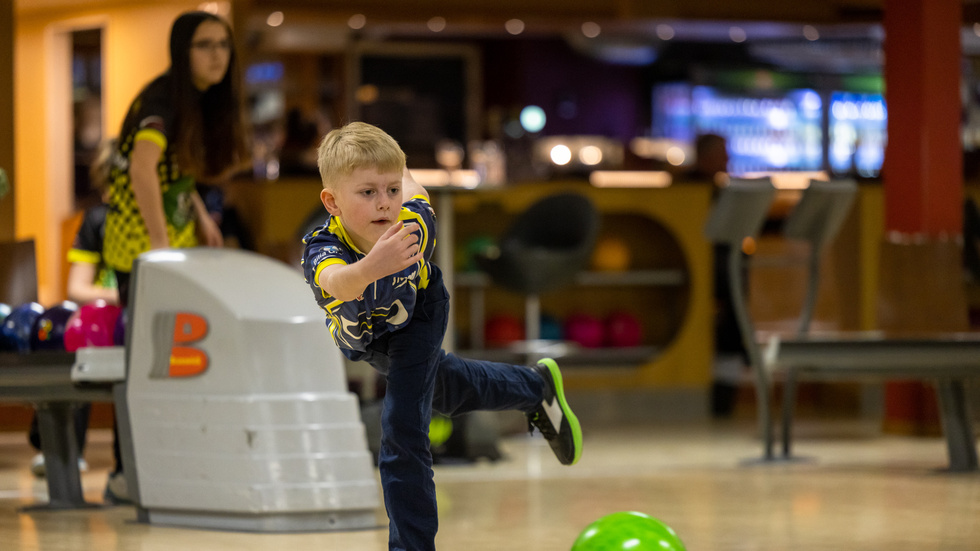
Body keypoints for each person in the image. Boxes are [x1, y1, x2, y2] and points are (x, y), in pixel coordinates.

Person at [301, 122, 582, 551]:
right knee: (446, 392)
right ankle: (535, 388)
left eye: (391, 190)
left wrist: (402, 183)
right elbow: (338, 284)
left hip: (419, 316)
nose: (384, 204)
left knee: (403, 429)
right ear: (332, 201)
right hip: (374, 339)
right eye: (367, 193)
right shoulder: (322, 246)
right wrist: (372, 267)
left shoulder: (412, 226)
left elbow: (415, 190)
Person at [101, 10, 249, 503]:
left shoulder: (196, 102)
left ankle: (172, 465)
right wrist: (161, 243)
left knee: (178, 360)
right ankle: (128, 474)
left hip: (174, 247)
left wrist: (201, 219)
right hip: (138, 249)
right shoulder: (160, 99)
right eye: (205, 45)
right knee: (147, 360)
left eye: (223, 45)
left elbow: (171, 178)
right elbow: (144, 171)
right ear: (182, 52)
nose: (216, 55)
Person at [28, 138, 119, 478]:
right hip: (108, 319)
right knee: (78, 335)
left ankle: (127, 466)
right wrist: (121, 297)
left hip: (146, 317)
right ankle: (64, 446)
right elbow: (77, 289)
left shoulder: (165, 222)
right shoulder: (97, 221)